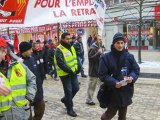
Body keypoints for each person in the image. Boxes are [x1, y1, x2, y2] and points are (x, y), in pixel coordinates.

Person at [98, 32, 140, 120]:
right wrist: (114, 82)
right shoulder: (106, 57)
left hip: (126, 91)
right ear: (113, 44)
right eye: (118, 43)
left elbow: (136, 70)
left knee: (123, 116)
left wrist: (131, 77)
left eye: (122, 43)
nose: (120, 45)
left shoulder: (129, 57)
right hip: (112, 92)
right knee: (108, 115)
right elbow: (102, 75)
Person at [0, 37, 37, 120]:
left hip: (21, 113)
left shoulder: (18, 65)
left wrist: (29, 97)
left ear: (4, 52)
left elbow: (32, 79)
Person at [54, 32, 80, 117]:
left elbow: (75, 58)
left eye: (70, 38)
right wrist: (70, 71)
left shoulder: (71, 47)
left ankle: (65, 100)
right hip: (65, 74)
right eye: (67, 39)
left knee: (76, 88)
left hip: (73, 72)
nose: (69, 40)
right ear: (62, 39)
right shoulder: (59, 49)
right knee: (68, 91)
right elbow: (61, 63)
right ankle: (70, 109)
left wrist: (79, 67)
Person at [19, 41, 45, 120]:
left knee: (41, 109)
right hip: (26, 94)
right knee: (27, 117)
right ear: (24, 51)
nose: (31, 51)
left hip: (38, 91)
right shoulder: (18, 62)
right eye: (29, 49)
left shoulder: (32, 58)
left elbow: (38, 73)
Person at [86, 35, 104, 105]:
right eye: (99, 39)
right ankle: (89, 100)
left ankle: (101, 98)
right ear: (96, 40)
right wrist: (98, 53)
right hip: (93, 71)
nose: (100, 41)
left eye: (101, 39)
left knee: (102, 86)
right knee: (91, 87)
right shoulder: (92, 48)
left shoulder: (100, 47)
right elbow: (90, 59)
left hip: (100, 70)